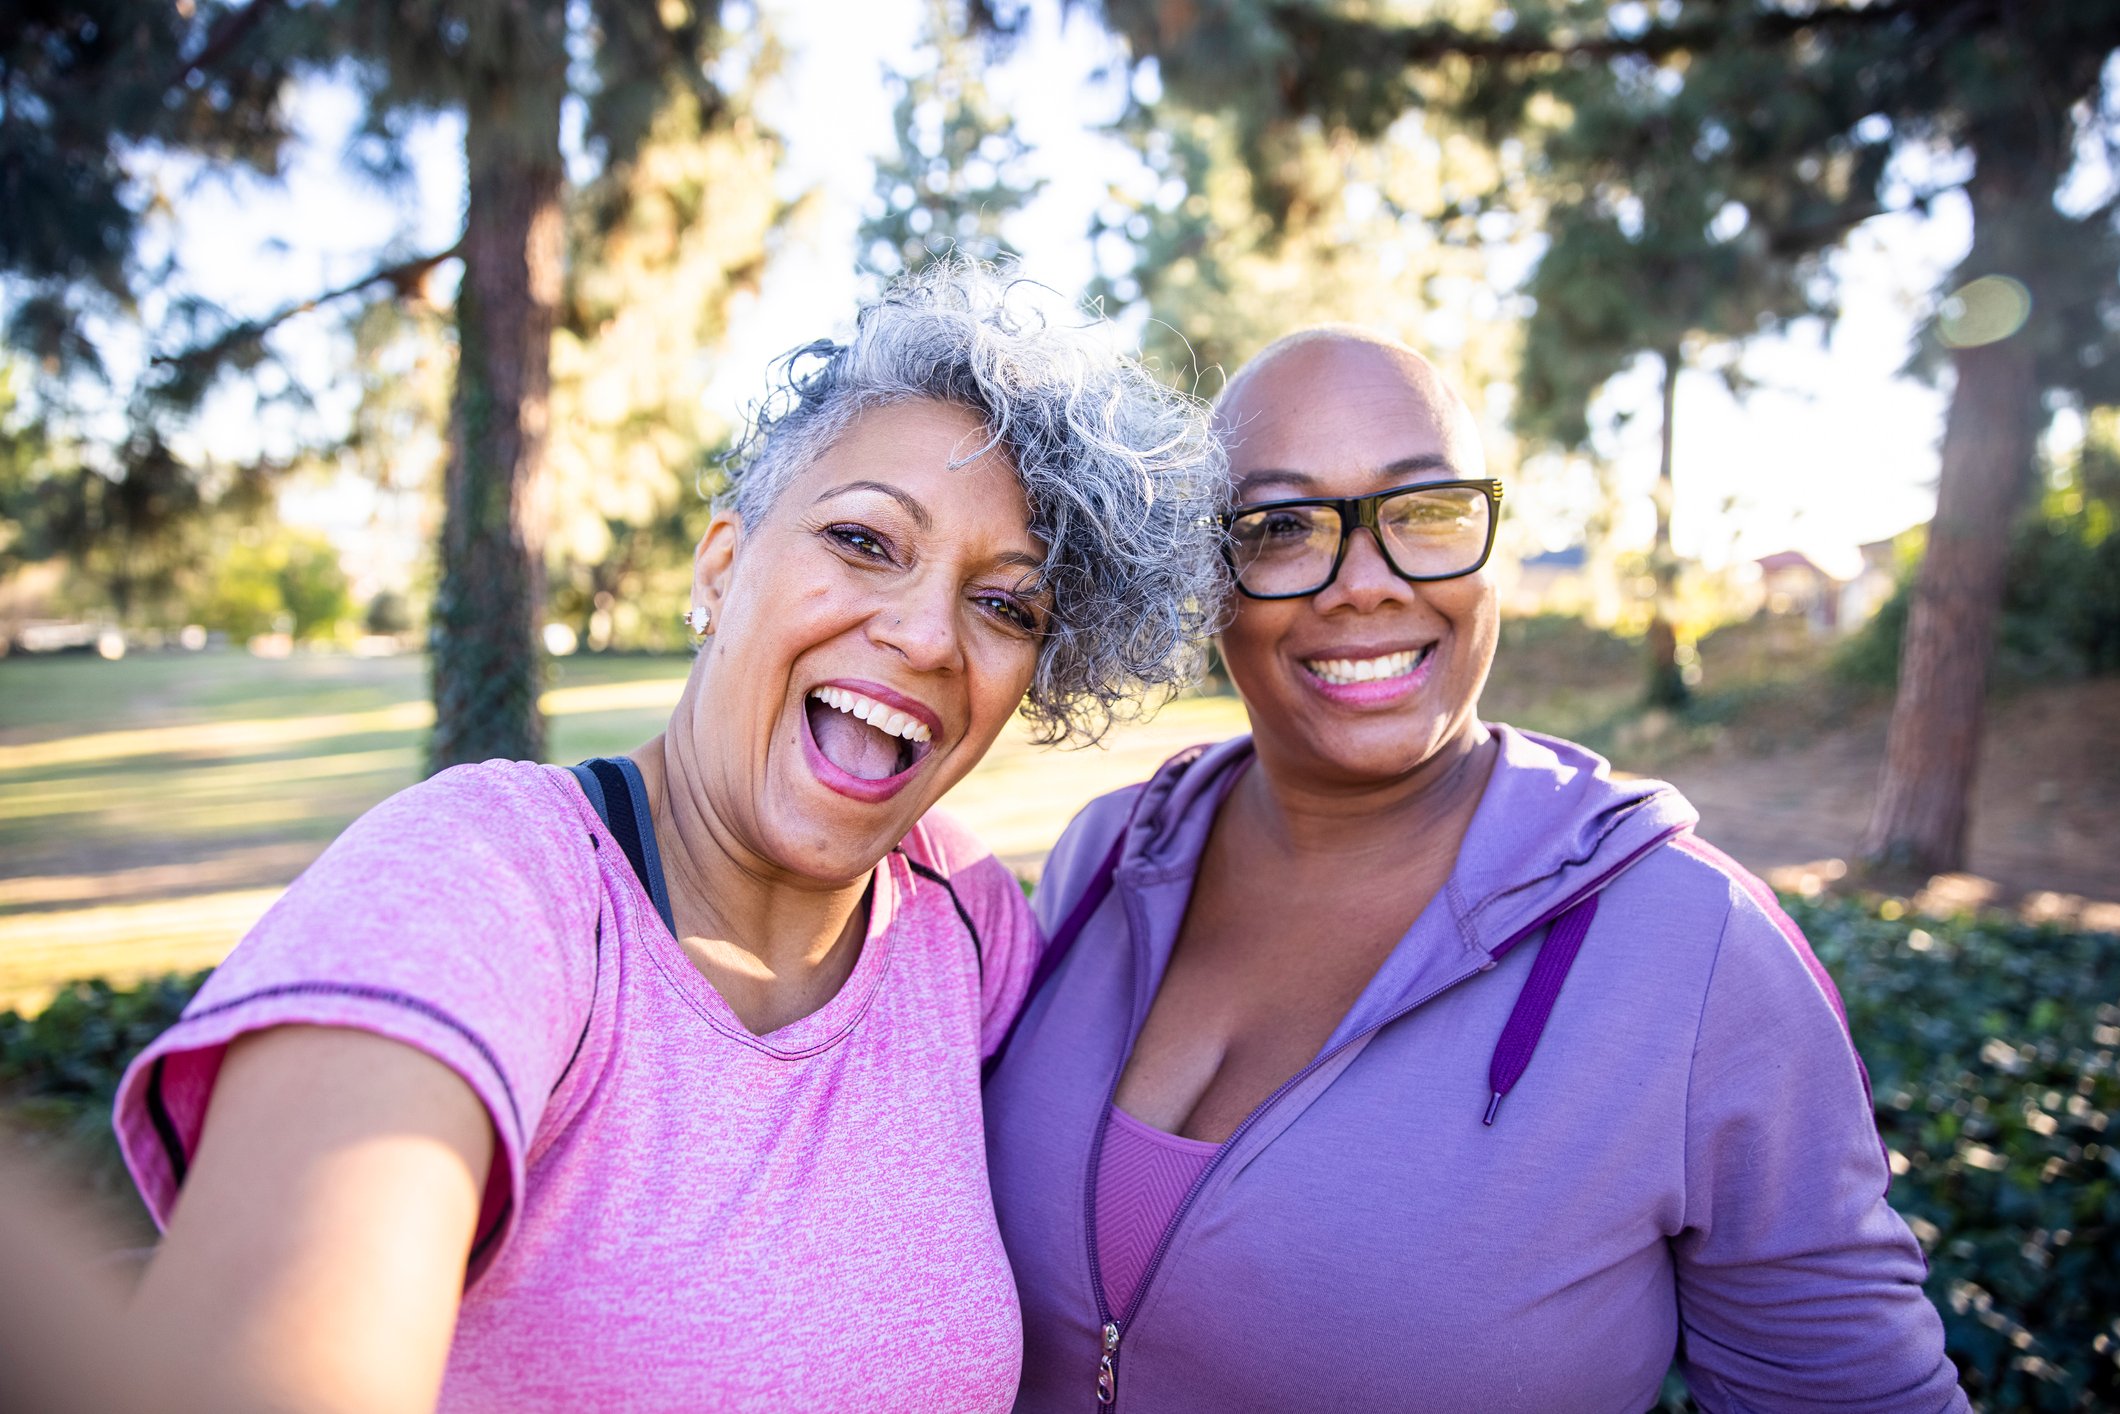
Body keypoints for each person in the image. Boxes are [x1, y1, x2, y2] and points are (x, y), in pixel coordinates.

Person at [110, 261, 1225, 1414]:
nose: (926, 635)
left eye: (1005, 605)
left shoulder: (961, 915)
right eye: (863, 540)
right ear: (723, 563)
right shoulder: (486, 880)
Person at [983, 326, 1967, 1411]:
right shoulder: (1106, 857)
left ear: (1493, 542)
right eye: (1278, 526)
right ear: (1206, 573)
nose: (1363, 584)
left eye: (1424, 511)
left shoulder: (1695, 947)